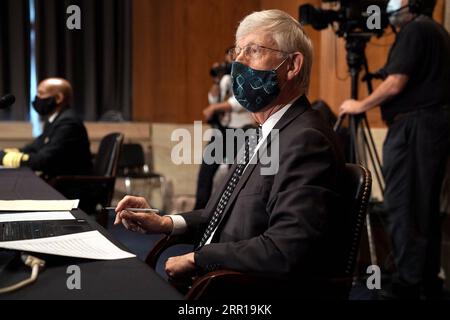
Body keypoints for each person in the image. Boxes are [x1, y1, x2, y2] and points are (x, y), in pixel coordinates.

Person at [115, 10, 346, 298]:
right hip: (217, 283)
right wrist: (166, 222)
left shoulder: (306, 140)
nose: (238, 63)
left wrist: (197, 259)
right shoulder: (263, 133)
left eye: (253, 50)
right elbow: (218, 214)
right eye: (236, 52)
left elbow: (285, 248)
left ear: (292, 65)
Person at [339, 0, 450, 299]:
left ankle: (408, 284)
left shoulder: (415, 30)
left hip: (416, 129)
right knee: (422, 207)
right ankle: (424, 280)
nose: (389, 4)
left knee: (404, 205)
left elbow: (396, 82)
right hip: (431, 129)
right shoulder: (434, 30)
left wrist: (359, 104)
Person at [195, 49, 256, 210]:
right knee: (205, 174)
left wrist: (214, 107)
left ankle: (226, 214)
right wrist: (216, 80)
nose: (229, 65)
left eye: (232, 61)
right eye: (227, 62)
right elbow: (214, 98)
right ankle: (199, 215)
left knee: (232, 177)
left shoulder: (247, 77)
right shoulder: (225, 79)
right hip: (222, 131)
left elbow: (238, 102)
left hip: (241, 131)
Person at [0, 78, 93, 180]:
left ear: (58, 98)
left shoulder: (68, 123)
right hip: (58, 182)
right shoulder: (54, 120)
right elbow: (34, 148)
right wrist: (4, 153)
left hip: (72, 186)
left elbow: (44, 161)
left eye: (41, 93)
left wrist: (4, 157)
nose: (37, 98)